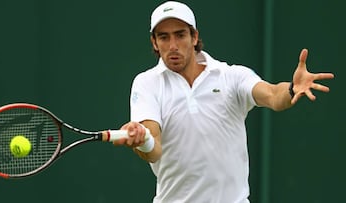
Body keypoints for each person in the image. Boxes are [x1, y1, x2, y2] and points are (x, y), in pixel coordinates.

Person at [113, 1, 335, 202]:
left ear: (194, 37)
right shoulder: (147, 83)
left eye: (180, 35)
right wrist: (143, 140)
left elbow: (273, 96)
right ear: (154, 42)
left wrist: (291, 89)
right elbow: (154, 148)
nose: (173, 45)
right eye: (164, 37)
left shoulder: (232, 76)